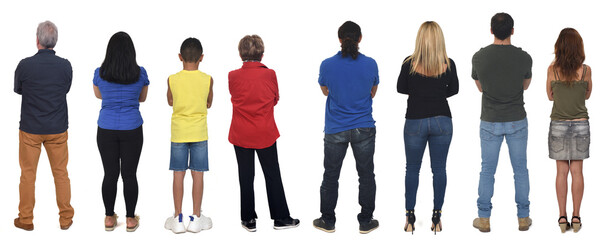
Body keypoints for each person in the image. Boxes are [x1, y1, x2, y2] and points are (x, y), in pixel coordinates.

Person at [313, 21, 379, 234]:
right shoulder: (371, 64)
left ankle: (327, 220)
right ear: (360, 39)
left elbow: (325, 91)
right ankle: (366, 221)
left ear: (339, 39)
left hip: (335, 128)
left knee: (330, 175)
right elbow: (373, 92)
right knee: (366, 175)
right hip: (364, 128)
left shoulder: (326, 64)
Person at [228, 35, 300, 232]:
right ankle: (281, 218)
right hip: (264, 131)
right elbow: (275, 98)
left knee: (245, 175)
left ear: (240, 53)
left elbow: (236, 98)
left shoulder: (232, 76)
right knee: (272, 174)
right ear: (262, 54)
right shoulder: (270, 74)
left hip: (241, 132)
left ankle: (248, 219)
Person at [471, 13, 533, 232]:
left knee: (487, 170)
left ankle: (484, 218)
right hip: (517, 119)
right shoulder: (524, 57)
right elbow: (525, 86)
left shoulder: (479, 57)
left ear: (491, 30)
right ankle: (523, 218)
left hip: (490, 120)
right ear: (512, 31)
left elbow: (480, 87)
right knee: (520, 170)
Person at [397, 21, 458, 234]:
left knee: (412, 169)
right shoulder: (448, 63)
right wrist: (436, 92)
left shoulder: (409, 63)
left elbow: (400, 88)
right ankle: (437, 217)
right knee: (439, 169)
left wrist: (420, 90)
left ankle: (410, 217)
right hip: (442, 120)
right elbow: (454, 90)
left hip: (415, 120)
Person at [13, 20, 74, 231]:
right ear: (54, 41)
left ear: (37, 40)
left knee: (28, 175)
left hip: (30, 129)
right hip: (57, 128)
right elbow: (65, 89)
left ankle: (26, 219)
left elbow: (18, 89)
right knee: (61, 174)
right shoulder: (65, 65)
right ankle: (66, 219)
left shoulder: (24, 65)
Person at [93, 31, 148, 232]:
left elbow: (99, 95)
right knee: (129, 174)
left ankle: (109, 218)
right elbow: (142, 98)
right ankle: (131, 220)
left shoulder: (100, 73)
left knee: (110, 173)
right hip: (132, 128)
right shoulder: (140, 73)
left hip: (106, 129)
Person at [164, 37, 213, 234]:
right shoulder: (208, 79)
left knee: (178, 173)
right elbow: (209, 102)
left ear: (179, 57)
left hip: (179, 133)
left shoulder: (172, 79)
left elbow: (170, 101)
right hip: (199, 132)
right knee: (197, 174)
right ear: (201, 58)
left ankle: (177, 218)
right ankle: (196, 218)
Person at [546, 28, 591, 233]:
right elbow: (587, 94)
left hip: (559, 124)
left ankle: (562, 217)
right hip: (581, 123)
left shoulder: (552, 69)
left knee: (561, 172)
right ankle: (576, 216)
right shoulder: (587, 70)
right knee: (577, 171)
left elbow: (550, 96)